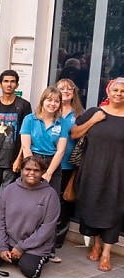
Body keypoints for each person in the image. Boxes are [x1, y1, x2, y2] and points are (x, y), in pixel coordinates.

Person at [72, 77, 124, 272]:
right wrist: (93, 121)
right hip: (93, 168)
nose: (119, 94)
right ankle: (95, 244)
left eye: (123, 91)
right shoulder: (95, 112)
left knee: (113, 207)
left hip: (118, 172)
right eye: (116, 90)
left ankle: (106, 253)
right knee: (93, 204)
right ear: (108, 92)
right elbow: (74, 133)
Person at [0, 156, 60, 278]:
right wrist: (2, 247)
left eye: (36, 170)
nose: (31, 173)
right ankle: (12, 255)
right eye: (27, 169)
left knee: (30, 271)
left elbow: (47, 228)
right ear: (21, 170)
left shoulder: (50, 195)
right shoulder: (9, 190)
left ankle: (36, 257)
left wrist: (21, 247)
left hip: (35, 246)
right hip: (9, 240)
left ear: (42, 172)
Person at [0, 69, 32, 236]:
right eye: (6, 81)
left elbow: (25, 134)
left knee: (8, 196)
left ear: (17, 84)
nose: (9, 84)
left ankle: (2, 227)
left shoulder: (23, 105)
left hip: (13, 159)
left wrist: (20, 159)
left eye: (12, 81)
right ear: (0, 84)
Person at [20, 86, 68, 195]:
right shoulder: (30, 119)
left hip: (53, 162)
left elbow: (61, 151)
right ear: (42, 101)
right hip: (33, 159)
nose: (53, 104)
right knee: (29, 195)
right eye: (49, 100)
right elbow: (26, 147)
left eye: (56, 101)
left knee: (51, 197)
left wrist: (49, 173)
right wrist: (33, 168)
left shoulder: (62, 122)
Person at [56, 77, 84, 248]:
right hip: (51, 163)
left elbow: (80, 137)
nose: (65, 92)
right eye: (61, 88)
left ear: (74, 92)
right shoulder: (51, 108)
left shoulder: (80, 113)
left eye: (69, 89)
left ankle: (58, 239)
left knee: (65, 203)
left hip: (69, 165)